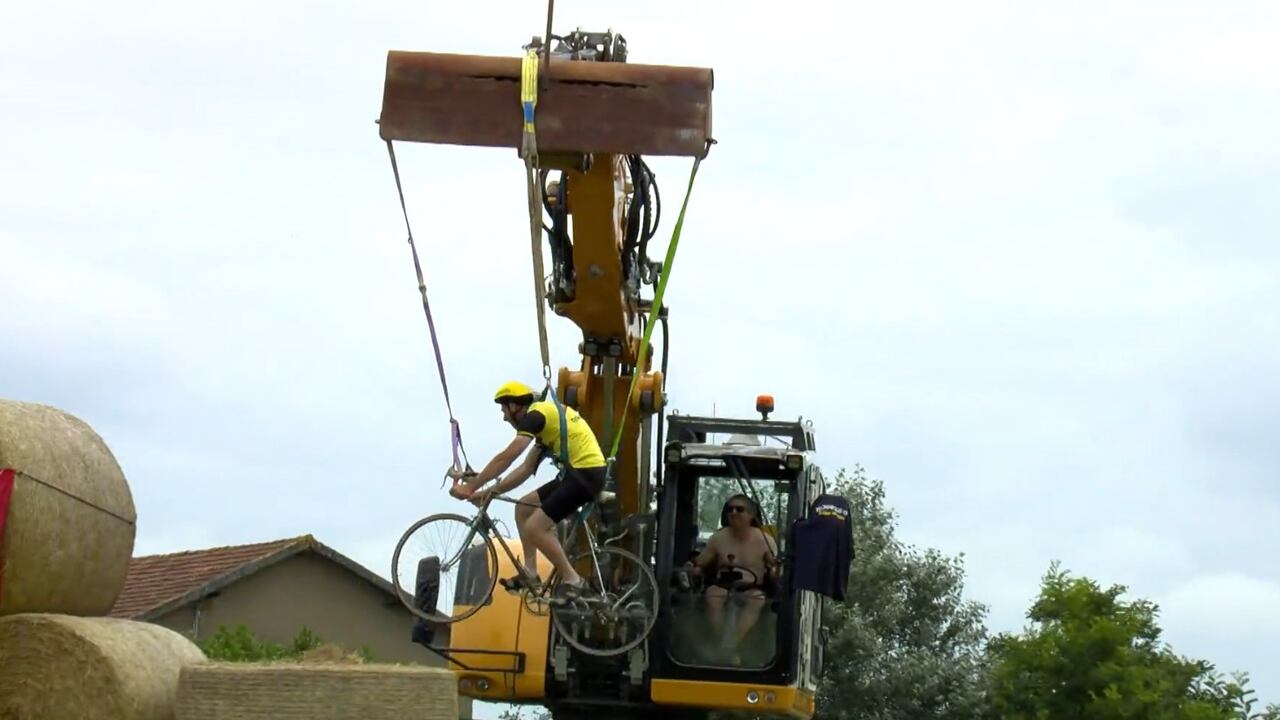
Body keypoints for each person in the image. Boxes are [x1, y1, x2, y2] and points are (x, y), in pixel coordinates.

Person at [449, 380, 606, 600]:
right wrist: (485, 494)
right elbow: (524, 470)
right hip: (576, 474)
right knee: (523, 507)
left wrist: (471, 487)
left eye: (504, 410)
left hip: (586, 474)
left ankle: (574, 581)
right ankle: (530, 573)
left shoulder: (536, 415)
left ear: (515, 406)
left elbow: (508, 456)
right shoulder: (543, 423)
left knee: (535, 527)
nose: (504, 417)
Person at [685, 494, 779, 650]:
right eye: (730, 509)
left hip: (752, 588)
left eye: (739, 509)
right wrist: (693, 569)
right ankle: (721, 640)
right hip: (722, 585)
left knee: (757, 599)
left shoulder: (765, 540)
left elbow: (774, 567)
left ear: (751, 515)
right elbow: (700, 563)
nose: (733, 513)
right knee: (713, 595)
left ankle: (731, 645)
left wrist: (775, 572)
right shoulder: (718, 538)